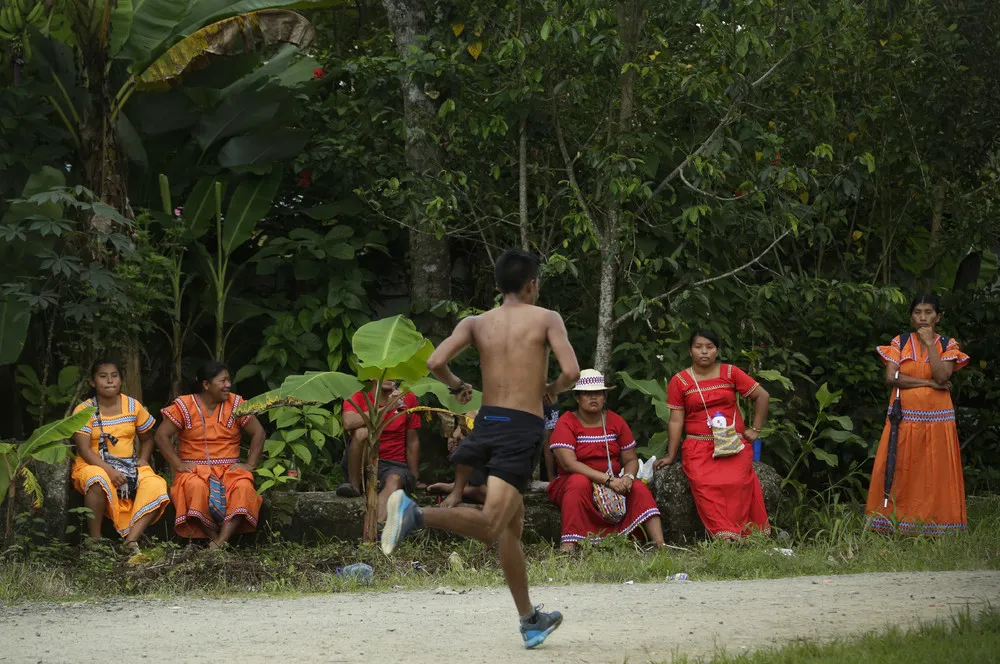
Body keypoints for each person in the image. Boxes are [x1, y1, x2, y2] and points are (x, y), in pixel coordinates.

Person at [380, 248, 580, 649]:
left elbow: (437, 361)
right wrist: (552, 390)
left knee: (511, 526)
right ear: (532, 285)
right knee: (491, 525)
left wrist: (457, 386)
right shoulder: (546, 318)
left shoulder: (476, 322)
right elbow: (572, 372)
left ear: (497, 286)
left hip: (486, 422)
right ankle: (414, 514)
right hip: (520, 429)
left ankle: (530, 620)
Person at [866, 293, 970, 535]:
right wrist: (928, 384)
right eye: (918, 312)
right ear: (911, 316)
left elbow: (942, 376)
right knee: (902, 467)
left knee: (935, 471)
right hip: (904, 420)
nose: (923, 317)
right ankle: (895, 524)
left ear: (938, 317)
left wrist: (930, 344)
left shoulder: (948, 344)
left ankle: (937, 526)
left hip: (938, 422)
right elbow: (891, 377)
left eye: (929, 312)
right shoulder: (900, 342)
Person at [654, 329, 771, 540]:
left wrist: (755, 429)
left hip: (732, 444)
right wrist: (671, 455)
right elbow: (676, 420)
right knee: (703, 483)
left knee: (737, 481)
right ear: (690, 351)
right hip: (698, 447)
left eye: (710, 347)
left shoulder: (730, 372)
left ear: (717, 350)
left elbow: (762, 395)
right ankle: (724, 534)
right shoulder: (680, 380)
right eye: (698, 347)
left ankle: (742, 532)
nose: (704, 352)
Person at [547, 370, 665, 552]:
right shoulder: (567, 423)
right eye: (587, 393)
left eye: (598, 393)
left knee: (639, 488)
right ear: (577, 398)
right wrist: (607, 480)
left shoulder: (616, 421)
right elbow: (569, 464)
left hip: (614, 480)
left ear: (604, 397)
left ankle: (659, 544)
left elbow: (631, 459)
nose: (593, 398)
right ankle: (569, 545)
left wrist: (627, 478)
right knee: (578, 483)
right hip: (574, 481)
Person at [154, 361, 266, 548]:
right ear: (206, 385)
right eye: (222, 381)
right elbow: (160, 436)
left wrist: (249, 465)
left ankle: (220, 542)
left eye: (228, 380)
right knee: (195, 487)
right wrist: (178, 464)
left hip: (230, 470)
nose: (228, 385)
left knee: (244, 487)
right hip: (194, 470)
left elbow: (259, 433)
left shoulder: (237, 404)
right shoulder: (185, 405)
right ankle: (214, 538)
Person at [70, 360, 170, 549]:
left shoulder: (133, 406)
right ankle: (95, 540)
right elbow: (83, 449)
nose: (109, 381)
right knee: (97, 478)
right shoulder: (84, 410)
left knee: (155, 484)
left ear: (120, 380)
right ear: (93, 382)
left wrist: (143, 459)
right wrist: (109, 471)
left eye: (114, 376)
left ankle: (131, 540)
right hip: (91, 465)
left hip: (129, 465)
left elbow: (148, 438)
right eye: (103, 376)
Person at [428, 402, 558, 505]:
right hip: (487, 450)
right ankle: (458, 490)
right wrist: (460, 430)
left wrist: (552, 480)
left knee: (502, 500)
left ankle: (463, 490)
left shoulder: (544, 401)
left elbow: (547, 441)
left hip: (515, 455)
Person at [335, 380, 421, 524]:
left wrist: (414, 478)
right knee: (361, 432)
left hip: (394, 465)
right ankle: (354, 486)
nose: (389, 377)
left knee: (394, 480)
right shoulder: (358, 393)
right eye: (384, 372)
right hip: (362, 461)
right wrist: (387, 408)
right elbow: (348, 422)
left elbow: (412, 441)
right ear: (372, 376)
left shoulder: (408, 398)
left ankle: (374, 527)